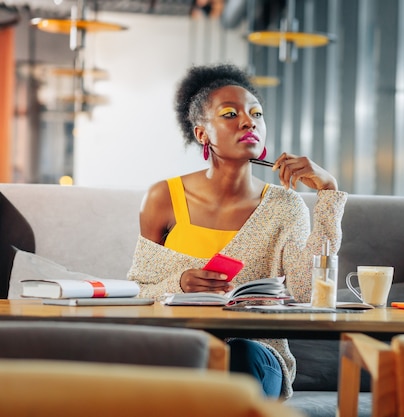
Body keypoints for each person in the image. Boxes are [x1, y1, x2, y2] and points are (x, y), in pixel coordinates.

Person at [126, 63, 347, 399]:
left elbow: (309, 293)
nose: (248, 122)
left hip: (255, 357)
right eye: (230, 114)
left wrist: (328, 195)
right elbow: (137, 292)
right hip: (181, 349)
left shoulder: (286, 206)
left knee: (238, 354)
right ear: (202, 134)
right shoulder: (163, 198)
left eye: (256, 114)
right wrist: (179, 284)